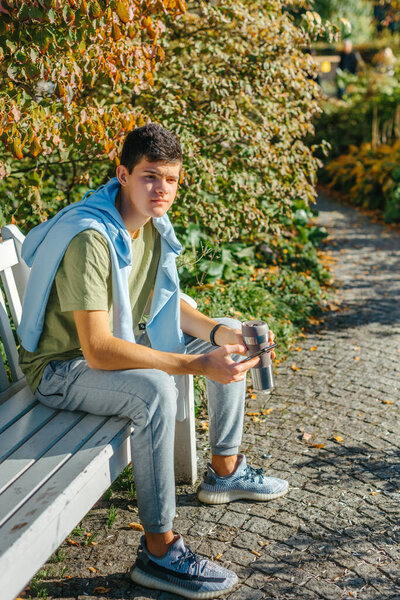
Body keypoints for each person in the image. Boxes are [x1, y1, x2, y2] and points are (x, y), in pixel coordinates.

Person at [18, 123, 288, 599]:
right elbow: (98, 349)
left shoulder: (150, 226)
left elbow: (167, 303)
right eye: (149, 176)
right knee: (158, 389)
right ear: (122, 174)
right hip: (62, 370)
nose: (161, 189)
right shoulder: (92, 238)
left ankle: (224, 473)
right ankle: (159, 551)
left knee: (224, 335)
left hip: (96, 360)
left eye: (171, 179)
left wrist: (221, 334)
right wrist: (193, 366)